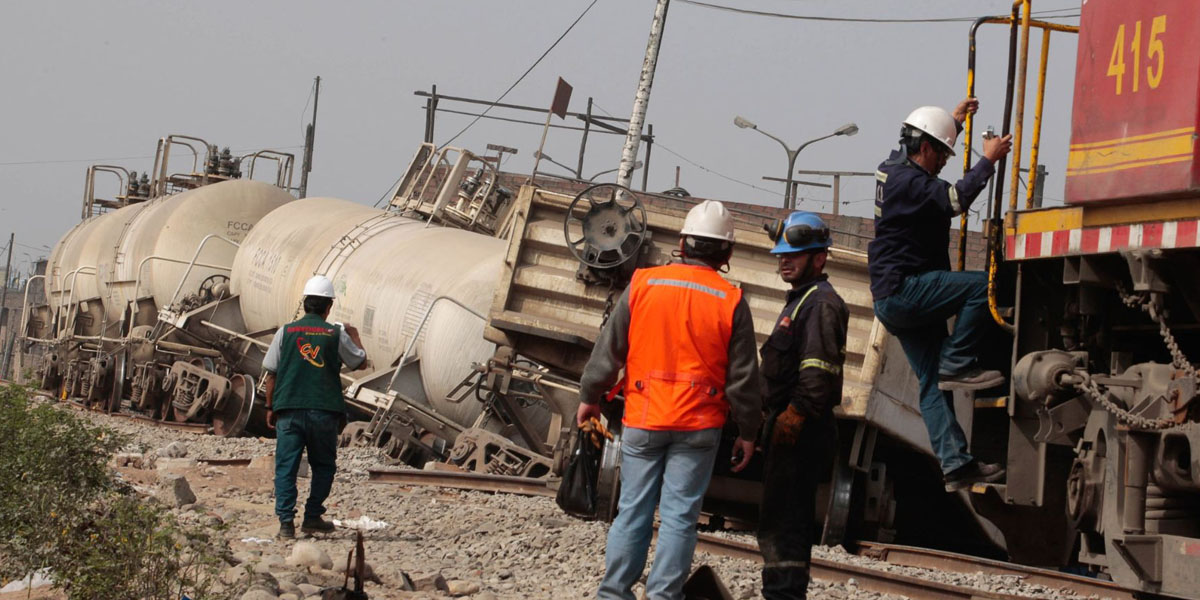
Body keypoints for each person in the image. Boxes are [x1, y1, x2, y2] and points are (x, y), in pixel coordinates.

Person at [577, 200, 763, 600]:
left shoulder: (643, 284)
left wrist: (590, 397)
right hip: (698, 425)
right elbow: (744, 379)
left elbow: (607, 353)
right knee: (680, 517)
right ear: (727, 253)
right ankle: (664, 596)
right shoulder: (731, 301)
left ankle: (613, 593)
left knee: (633, 510)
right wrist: (749, 431)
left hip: (644, 416)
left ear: (682, 242)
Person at [868, 98, 1013, 491]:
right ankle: (958, 359)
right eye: (943, 155)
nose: (944, 163)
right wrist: (988, 161)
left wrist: (953, 122)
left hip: (893, 298)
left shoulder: (891, 168)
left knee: (932, 384)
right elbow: (955, 201)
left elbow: (926, 156)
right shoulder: (909, 182)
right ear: (926, 147)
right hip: (906, 290)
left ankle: (957, 467)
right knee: (984, 284)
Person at [757, 211, 848, 600]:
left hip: (802, 428)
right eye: (781, 256)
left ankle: (785, 594)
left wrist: (794, 415)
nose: (785, 261)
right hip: (789, 426)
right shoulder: (803, 299)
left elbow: (819, 369)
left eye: (794, 255)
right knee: (778, 519)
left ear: (820, 258)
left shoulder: (821, 304)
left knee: (787, 523)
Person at [263, 275, 368, 539]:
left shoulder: (285, 332)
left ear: (304, 304)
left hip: (289, 410)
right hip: (324, 411)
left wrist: (269, 407)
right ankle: (312, 517)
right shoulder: (336, 334)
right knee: (324, 467)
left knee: (286, 467)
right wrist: (354, 335)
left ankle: (286, 524)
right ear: (328, 307)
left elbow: (271, 374)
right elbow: (361, 363)